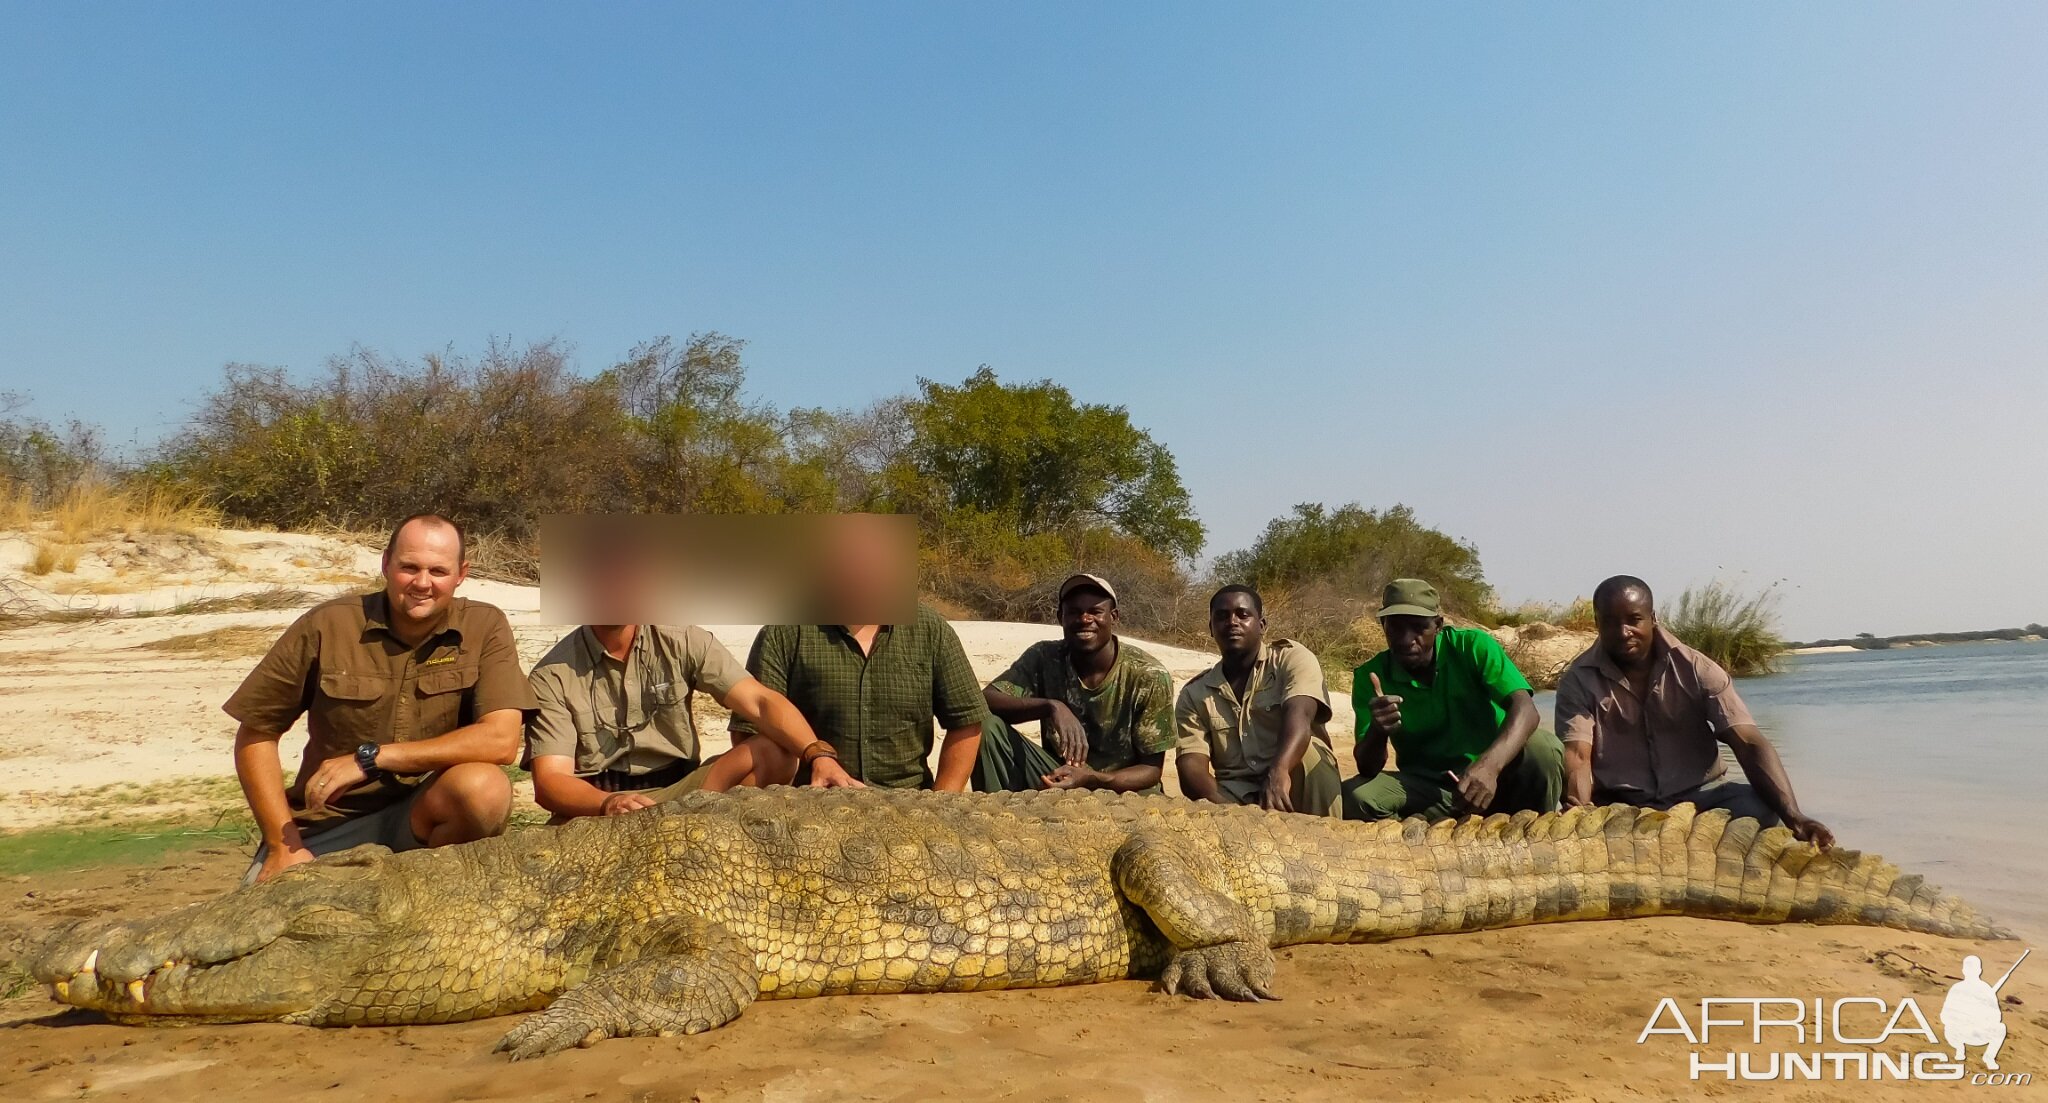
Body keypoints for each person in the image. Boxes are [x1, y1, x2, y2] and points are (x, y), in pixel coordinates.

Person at [225, 514, 536, 884]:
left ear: (461, 573)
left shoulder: (485, 626)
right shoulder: (328, 624)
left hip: (422, 817)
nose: (422, 583)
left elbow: (501, 741)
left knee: (485, 788)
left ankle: (439, 890)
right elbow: (256, 733)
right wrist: (281, 845)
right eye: (409, 567)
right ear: (386, 563)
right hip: (327, 823)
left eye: (438, 571)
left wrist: (373, 759)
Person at [1554, 575, 1833, 846]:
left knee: (1760, 807)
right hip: (1625, 806)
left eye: (1634, 620)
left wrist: (1795, 817)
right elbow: (1578, 755)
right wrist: (1579, 812)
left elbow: (1747, 742)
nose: (1623, 632)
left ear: (1653, 618)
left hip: (1701, 798)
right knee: (1595, 826)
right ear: (1597, 623)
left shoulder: (1698, 667)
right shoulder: (1578, 680)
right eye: (1610, 623)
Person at [524, 622, 859, 821]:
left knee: (776, 751)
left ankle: (711, 837)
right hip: (600, 802)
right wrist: (607, 803)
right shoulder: (552, 674)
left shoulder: (684, 640)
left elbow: (758, 702)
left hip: (684, 795)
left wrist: (818, 754)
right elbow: (551, 781)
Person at [1344, 578, 1564, 821]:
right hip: (1430, 786)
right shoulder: (1370, 676)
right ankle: (1413, 853)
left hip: (1495, 777)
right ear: (1383, 625)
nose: (1406, 639)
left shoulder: (1473, 646)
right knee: (1357, 796)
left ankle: (1534, 831)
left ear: (1438, 625)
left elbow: (1526, 710)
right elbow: (1367, 768)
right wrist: (1377, 731)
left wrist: (1489, 767)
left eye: (1418, 627)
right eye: (1395, 628)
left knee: (1543, 748)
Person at [972, 573, 1176, 793]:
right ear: (1061, 617)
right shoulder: (1044, 656)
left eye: (1095, 611)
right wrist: (1050, 707)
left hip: (1124, 789)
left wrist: (1093, 778)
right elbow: (985, 700)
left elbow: (1151, 770)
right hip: (1060, 779)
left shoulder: (1149, 675)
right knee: (984, 727)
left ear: (1113, 617)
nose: (1085, 619)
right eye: (1074, 612)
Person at [1173, 585, 1343, 816]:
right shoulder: (1194, 693)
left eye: (1243, 615)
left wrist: (1278, 771)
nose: (1232, 622)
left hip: (1291, 777)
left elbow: (1301, 715)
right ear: (1211, 628)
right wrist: (1233, 813)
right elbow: (1191, 766)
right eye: (1222, 616)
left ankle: (1328, 839)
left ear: (1262, 625)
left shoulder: (1291, 659)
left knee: (1312, 752)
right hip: (1235, 795)